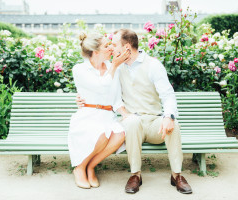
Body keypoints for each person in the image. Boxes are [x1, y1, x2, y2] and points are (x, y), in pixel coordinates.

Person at [77, 29, 192, 194]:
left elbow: (168, 94)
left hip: (154, 123)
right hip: (132, 123)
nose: (111, 48)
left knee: (173, 124)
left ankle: (177, 175)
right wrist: (82, 98)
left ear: (127, 48)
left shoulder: (153, 65)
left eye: (115, 45)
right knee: (131, 122)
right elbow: (102, 87)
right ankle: (135, 175)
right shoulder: (116, 67)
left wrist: (169, 116)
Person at [68, 32, 130, 189]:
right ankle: (79, 168)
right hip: (87, 115)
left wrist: (124, 113)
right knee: (101, 134)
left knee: (119, 135)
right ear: (95, 51)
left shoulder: (112, 67)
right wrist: (115, 66)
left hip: (107, 115)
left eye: (110, 44)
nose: (110, 48)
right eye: (106, 46)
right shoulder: (80, 69)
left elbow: (115, 98)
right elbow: (101, 87)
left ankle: (90, 166)